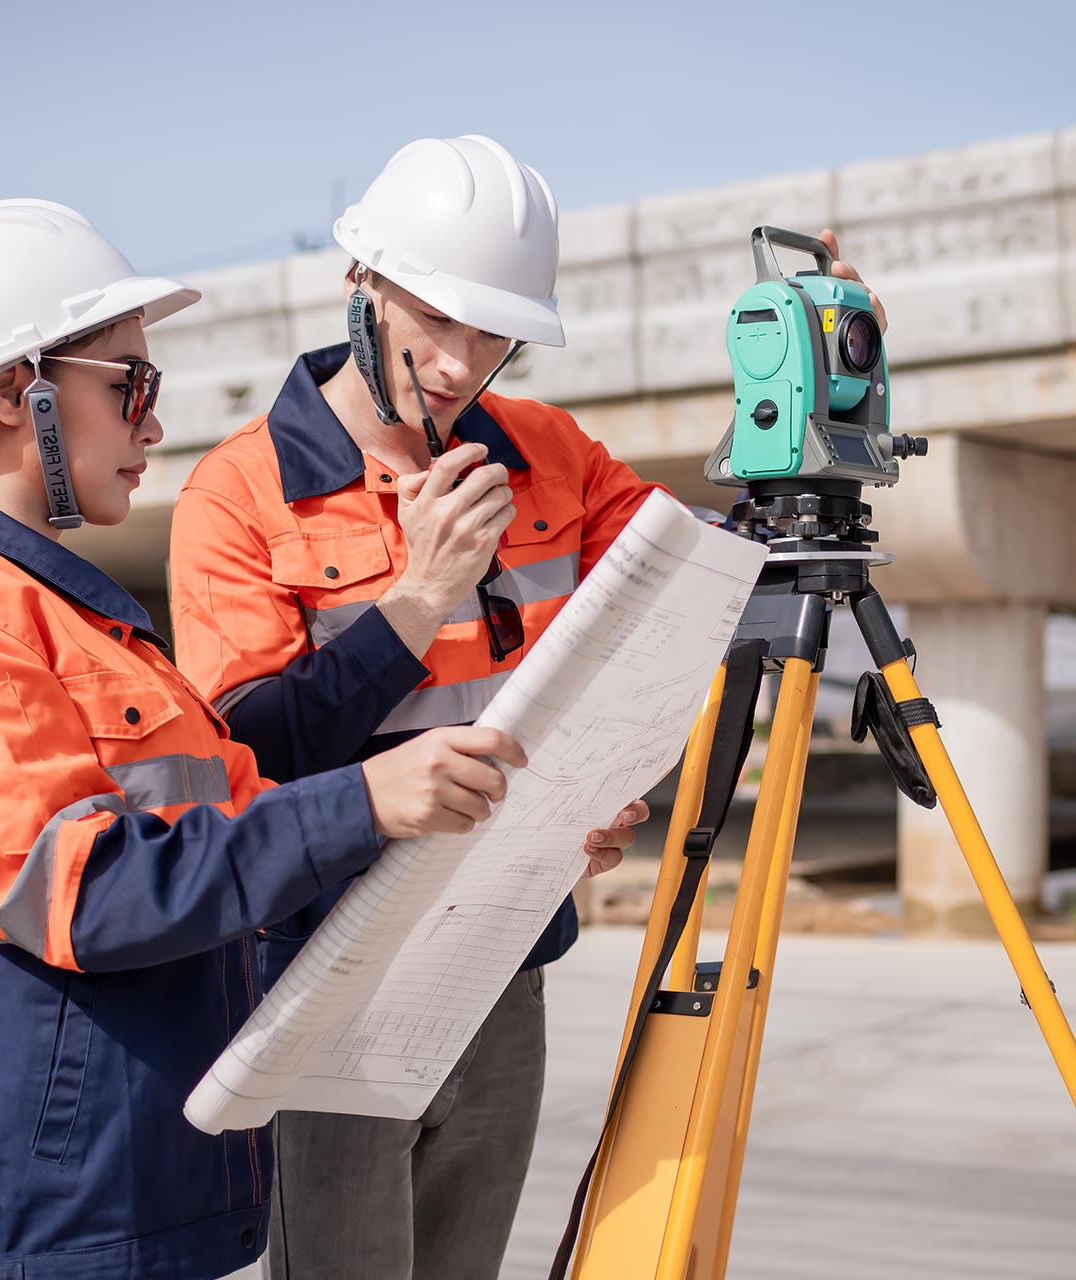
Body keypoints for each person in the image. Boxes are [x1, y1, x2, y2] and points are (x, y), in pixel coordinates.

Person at [168, 137, 885, 1278]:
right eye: (437, 321)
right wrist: (415, 604)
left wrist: (810, 411)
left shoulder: (552, 453)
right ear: (362, 280)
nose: (462, 362)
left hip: (507, 964)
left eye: (492, 331)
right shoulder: (238, 495)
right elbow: (247, 760)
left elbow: (690, 588)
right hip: (336, 974)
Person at [0, 197, 525, 1280]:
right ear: (18, 391)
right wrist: (371, 797)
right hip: (37, 1221)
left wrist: (515, 822)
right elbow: (81, 887)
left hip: (129, 1194)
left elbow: (245, 819)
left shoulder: (86, 628)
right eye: (129, 384)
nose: (152, 423)